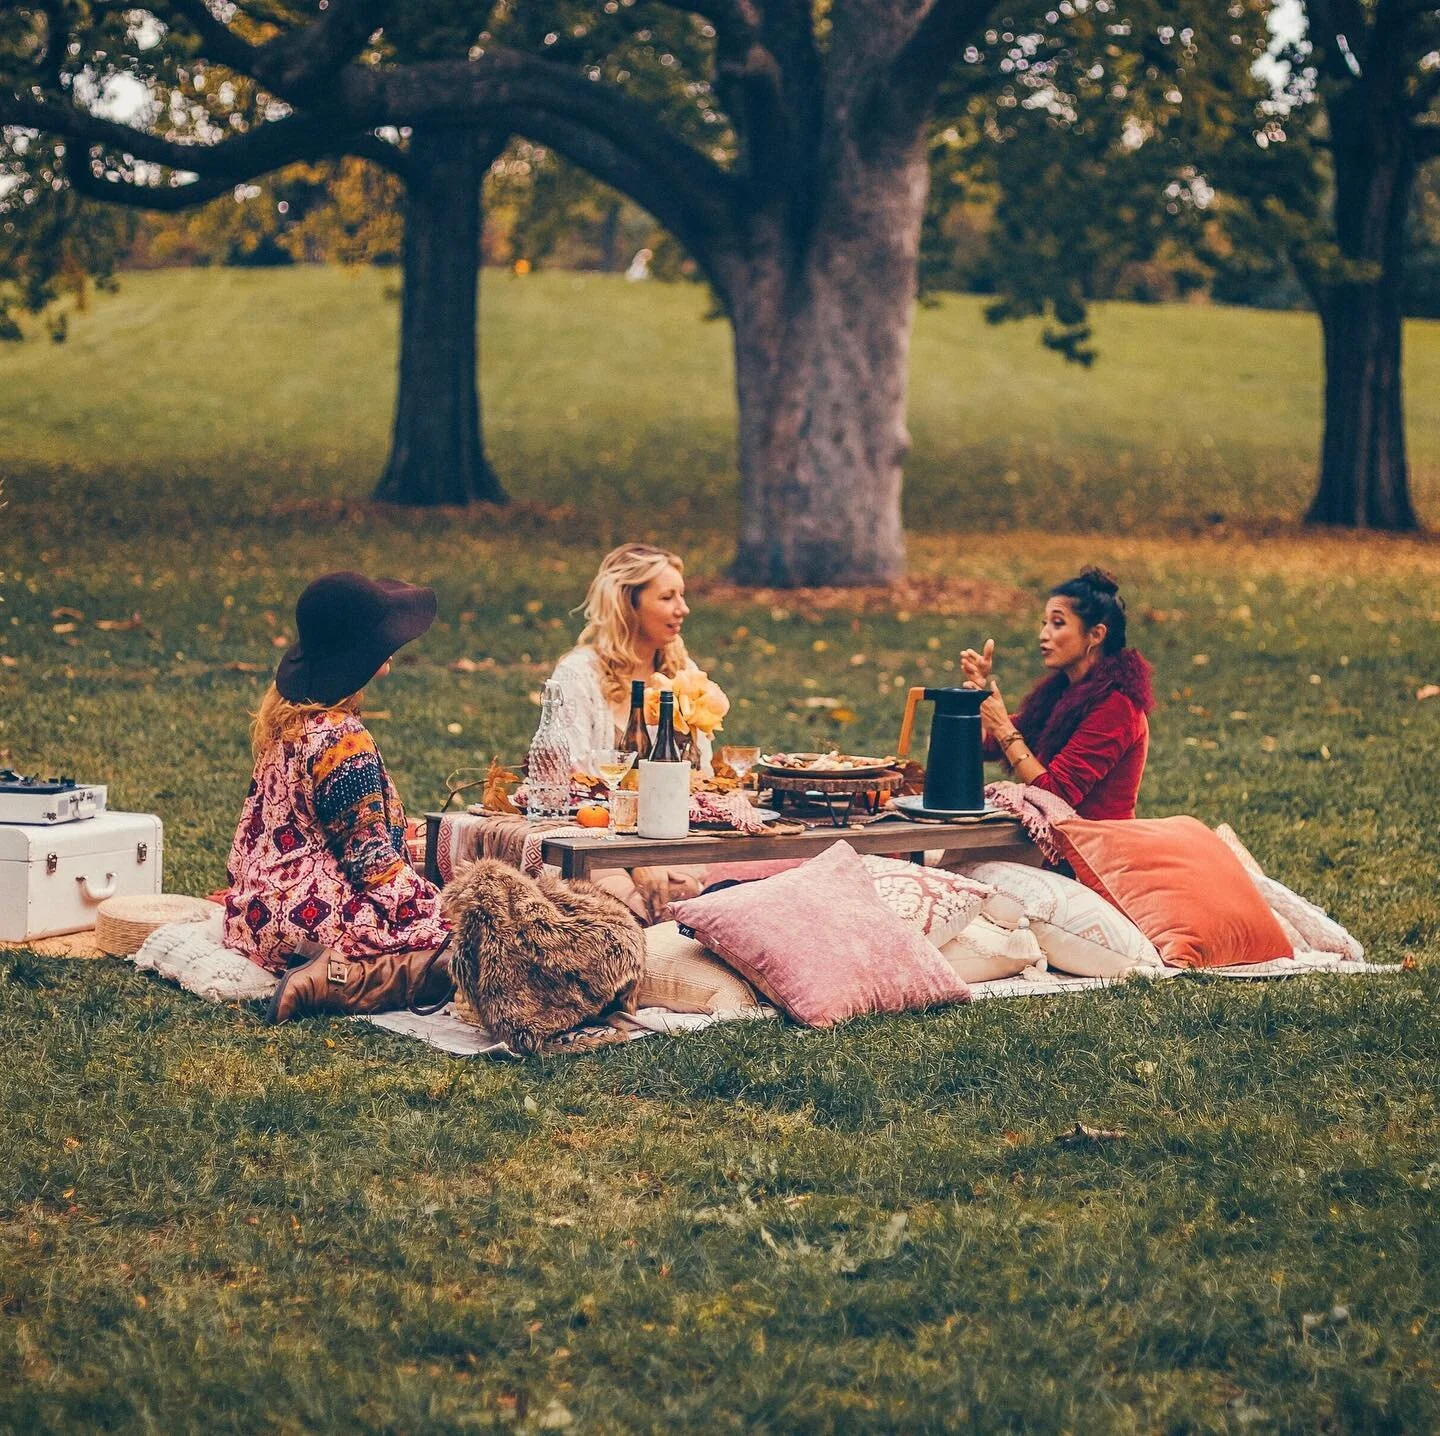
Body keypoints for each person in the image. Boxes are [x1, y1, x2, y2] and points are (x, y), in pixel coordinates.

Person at [224, 571, 454, 1023]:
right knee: (463, 952)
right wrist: (436, 911)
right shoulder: (343, 740)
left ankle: (321, 968)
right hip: (312, 919)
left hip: (255, 915)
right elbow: (372, 865)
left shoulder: (287, 722)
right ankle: (329, 979)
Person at [545, 543, 706, 919]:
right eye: (667, 597)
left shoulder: (683, 674)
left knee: (679, 895)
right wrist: (635, 860)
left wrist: (656, 851)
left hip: (671, 837)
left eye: (681, 596)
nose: (683, 609)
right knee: (629, 905)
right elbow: (573, 783)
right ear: (627, 604)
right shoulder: (578, 674)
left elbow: (701, 774)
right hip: (591, 840)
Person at [960, 567, 1154, 820]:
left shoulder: (1117, 705)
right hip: (1050, 841)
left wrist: (1003, 728)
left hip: (1094, 848)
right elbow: (985, 747)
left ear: (1096, 634)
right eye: (1045, 624)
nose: (1043, 635)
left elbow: (1055, 796)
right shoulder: (1061, 694)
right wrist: (977, 694)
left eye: (1058, 623)